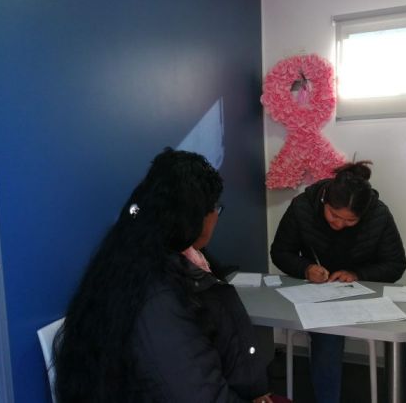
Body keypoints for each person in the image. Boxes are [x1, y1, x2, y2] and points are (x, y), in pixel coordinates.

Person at [54, 148, 274, 403]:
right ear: (194, 216)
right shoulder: (157, 296)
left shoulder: (140, 255)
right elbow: (197, 392)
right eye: (215, 207)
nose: (217, 216)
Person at [270, 161, 406, 403]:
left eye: (349, 221)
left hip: (367, 293)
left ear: (363, 215)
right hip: (321, 294)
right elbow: (281, 252)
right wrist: (306, 269)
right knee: (327, 337)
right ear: (325, 200)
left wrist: (358, 274)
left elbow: (396, 264)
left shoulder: (379, 214)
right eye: (334, 215)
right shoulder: (301, 207)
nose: (338, 224)